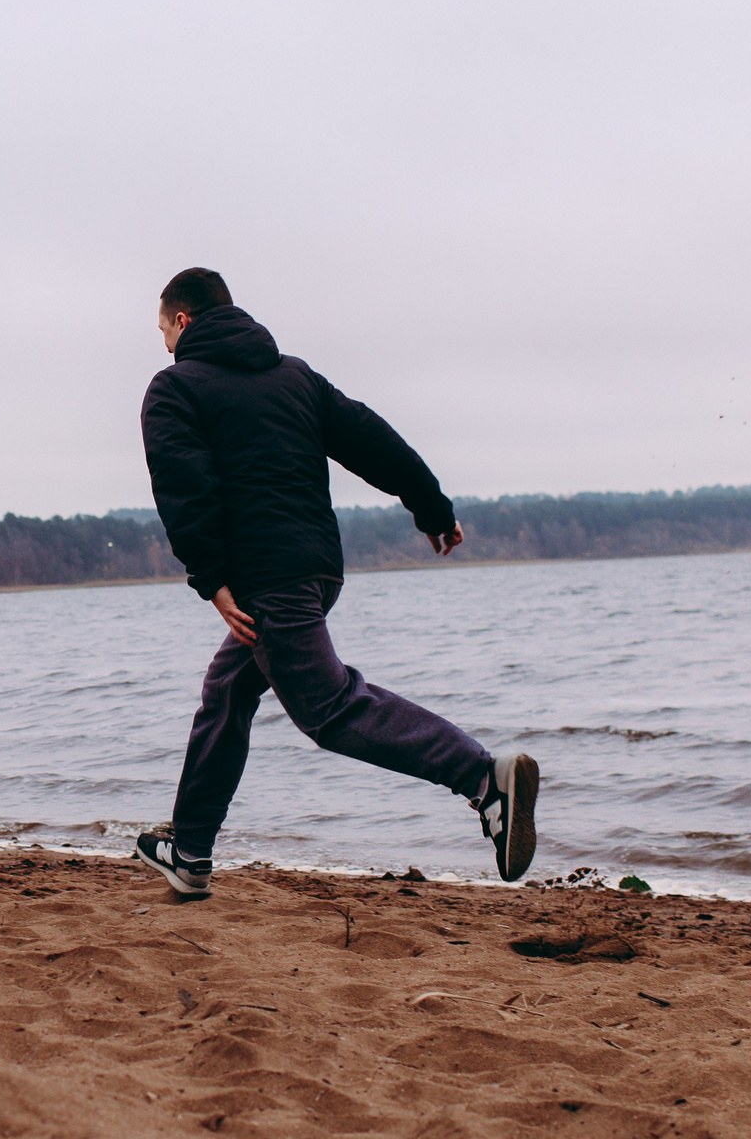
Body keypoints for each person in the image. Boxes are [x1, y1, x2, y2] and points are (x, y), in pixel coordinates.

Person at [133, 266, 538, 898]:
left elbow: (185, 490)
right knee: (227, 693)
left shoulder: (174, 389)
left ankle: (484, 779)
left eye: (161, 328)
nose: (161, 341)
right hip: (316, 570)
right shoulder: (295, 376)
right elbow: (372, 439)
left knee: (329, 708)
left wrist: (212, 579)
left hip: (263, 579)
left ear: (182, 321)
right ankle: (189, 848)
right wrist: (430, 506)